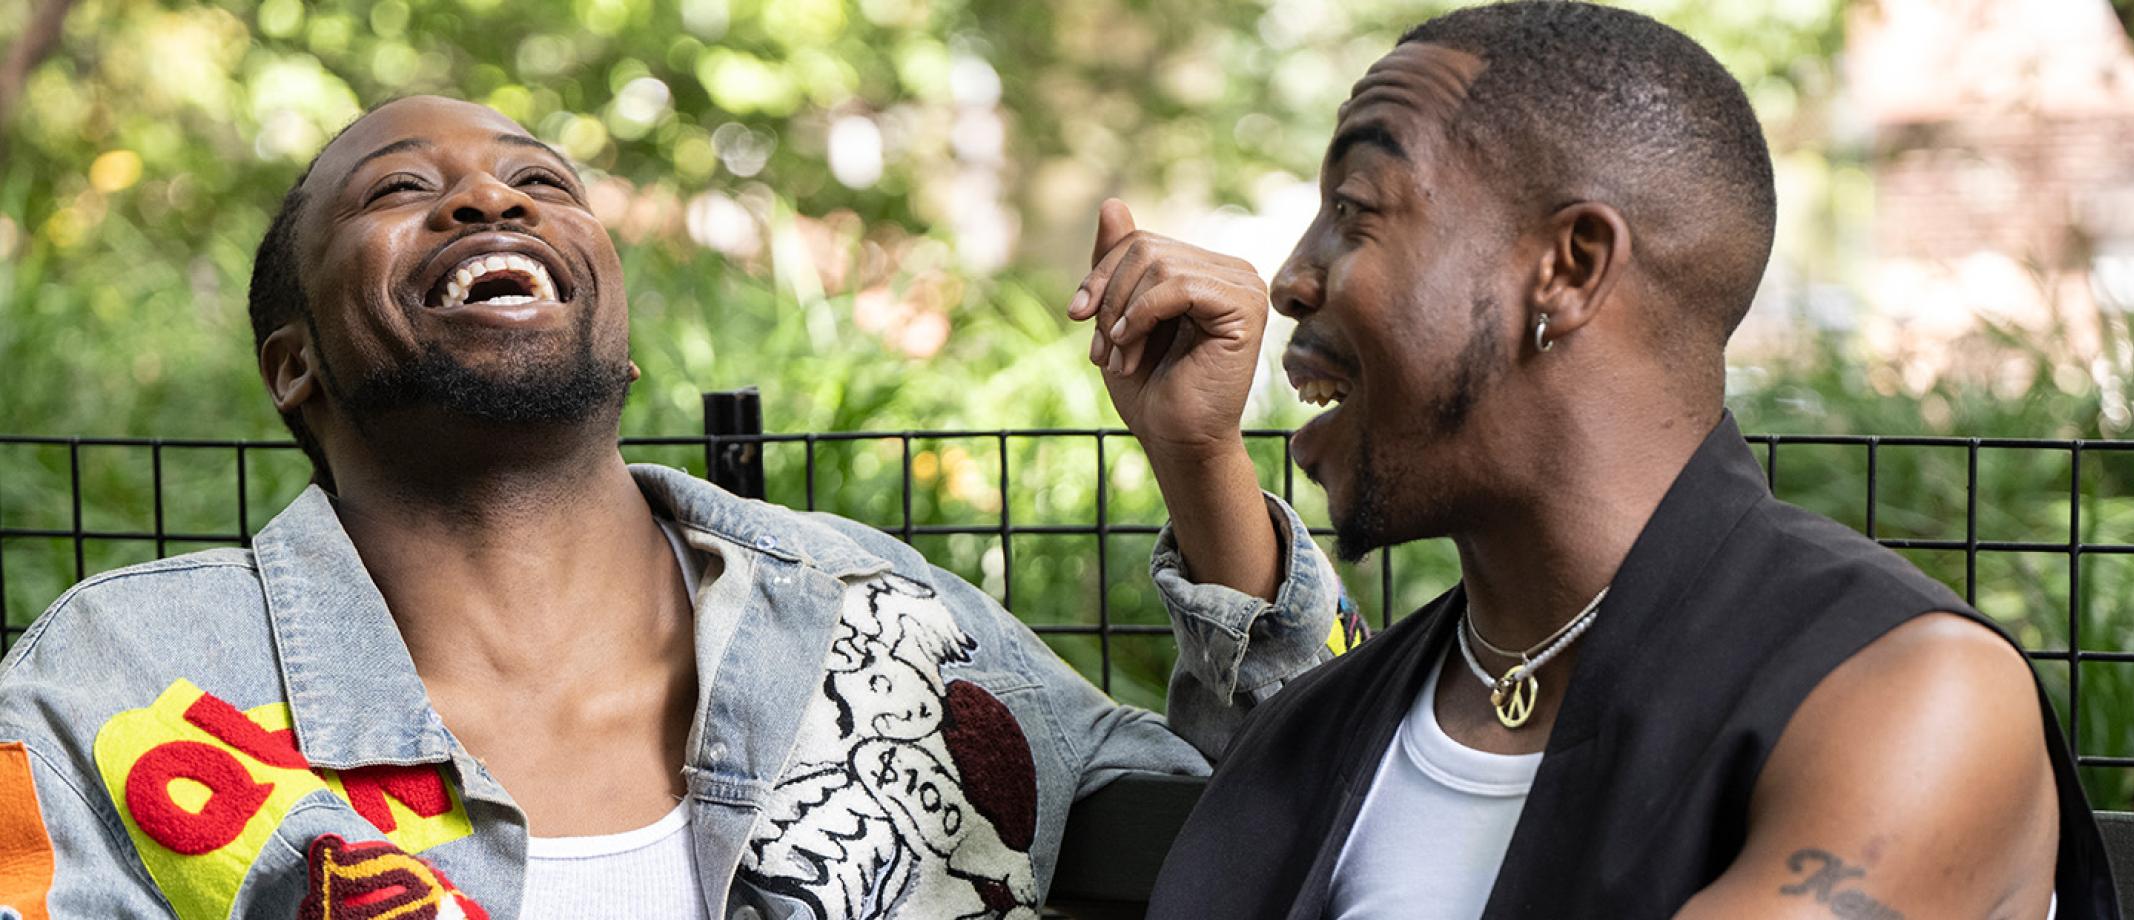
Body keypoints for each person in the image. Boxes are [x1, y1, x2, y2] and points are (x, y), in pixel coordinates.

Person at [0, 95, 1339, 919]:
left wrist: (1203, 460)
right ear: (294, 366)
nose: (488, 195)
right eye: (401, 191)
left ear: (619, 339)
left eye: (543, 184)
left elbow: (1292, 818)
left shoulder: (883, 624)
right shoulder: (113, 687)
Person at [1066, 3, 2119, 917]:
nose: (1289, 278)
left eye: (1353, 213)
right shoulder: (1344, 719)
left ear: (1567, 268)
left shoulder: (1905, 690)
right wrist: (1194, 452)